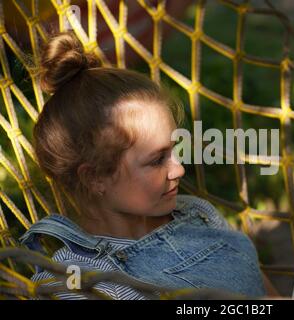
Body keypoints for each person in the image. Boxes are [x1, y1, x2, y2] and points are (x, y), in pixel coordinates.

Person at [19, 31, 279, 299]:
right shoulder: (76, 281)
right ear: (95, 177)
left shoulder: (198, 214)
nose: (179, 169)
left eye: (175, 150)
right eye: (157, 160)